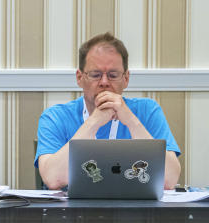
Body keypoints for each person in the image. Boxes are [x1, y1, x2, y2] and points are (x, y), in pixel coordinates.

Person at [35, 32, 181, 190]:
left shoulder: (147, 111)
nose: (104, 82)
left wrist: (131, 121)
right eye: (95, 75)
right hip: (75, 212)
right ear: (79, 78)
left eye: (113, 75)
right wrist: (93, 122)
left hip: (134, 210)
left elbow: (170, 179)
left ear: (126, 79)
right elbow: (53, 179)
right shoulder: (55, 117)